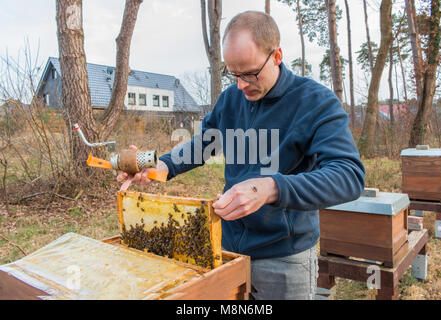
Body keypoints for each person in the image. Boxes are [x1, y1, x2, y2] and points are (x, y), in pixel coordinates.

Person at [118, 11, 365, 300]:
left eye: (249, 73)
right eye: (232, 73)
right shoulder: (230, 99)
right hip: (227, 247)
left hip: (284, 256)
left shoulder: (316, 103)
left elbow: (349, 175)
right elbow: (202, 145)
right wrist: (160, 165)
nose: (241, 84)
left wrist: (272, 187)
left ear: (277, 56)